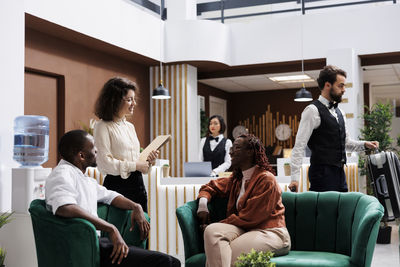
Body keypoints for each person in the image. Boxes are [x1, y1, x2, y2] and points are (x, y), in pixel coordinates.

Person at [45, 130, 180, 267]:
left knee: (172, 262)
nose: (97, 151)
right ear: (81, 156)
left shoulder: (84, 178)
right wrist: (111, 228)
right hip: (82, 248)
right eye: (93, 148)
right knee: (167, 262)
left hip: (95, 243)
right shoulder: (62, 173)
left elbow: (110, 196)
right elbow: (64, 207)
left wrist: (136, 206)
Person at [197, 134, 290, 267]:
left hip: (271, 232)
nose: (230, 151)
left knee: (221, 252)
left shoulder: (266, 179)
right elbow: (210, 186)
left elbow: (250, 217)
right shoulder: (237, 179)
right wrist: (202, 205)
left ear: (250, 152)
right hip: (247, 230)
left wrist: (220, 222)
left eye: (237, 148)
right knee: (212, 233)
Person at [289, 65, 379, 192]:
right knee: (326, 211)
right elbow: (299, 146)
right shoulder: (312, 111)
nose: (343, 90)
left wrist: (365, 144)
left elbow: (346, 143)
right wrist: (294, 178)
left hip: (340, 173)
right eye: (340, 86)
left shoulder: (340, 113)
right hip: (321, 174)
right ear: (327, 85)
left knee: (341, 211)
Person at [93, 77, 158, 212]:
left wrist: (148, 162)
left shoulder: (130, 127)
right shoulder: (102, 127)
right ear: (114, 100)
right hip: (117, 189)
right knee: (119, 231)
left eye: (134, 99)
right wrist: (136, 165)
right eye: (129, 99)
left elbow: (138, 164)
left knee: (142, 231)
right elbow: (105, 163)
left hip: (138, 187)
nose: (134, 103)